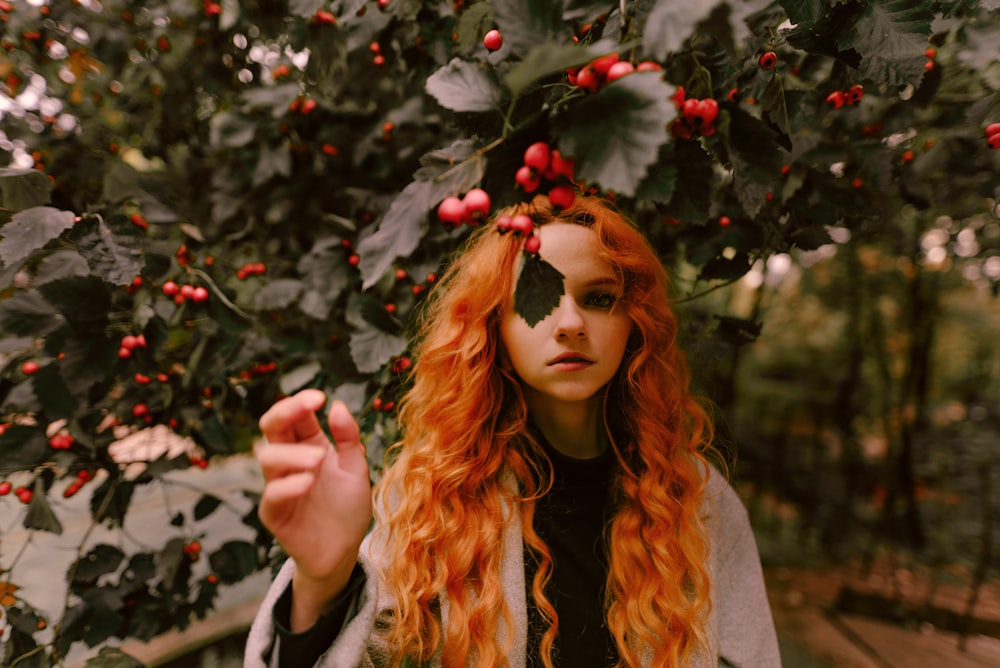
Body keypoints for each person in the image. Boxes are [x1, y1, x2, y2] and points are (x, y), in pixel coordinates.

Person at [244, 195, 781, 667]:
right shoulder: (433, 499)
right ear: (490, 327)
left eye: (598, 298)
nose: (570, 322)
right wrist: (322, 584)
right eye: (536, 297)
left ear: (634, 324)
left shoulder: (696, 501)